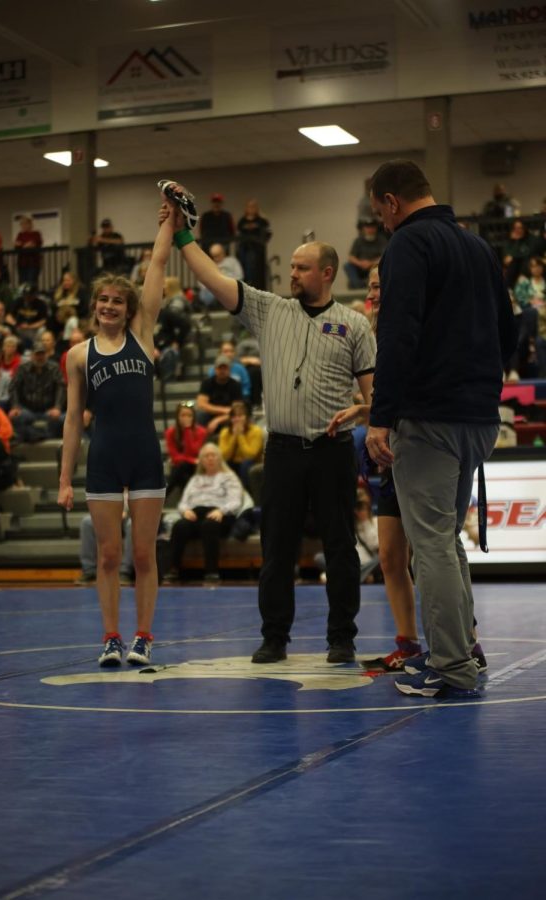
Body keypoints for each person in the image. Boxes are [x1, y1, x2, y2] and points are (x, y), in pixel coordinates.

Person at [161, 183, 375, 664]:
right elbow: (215, 279)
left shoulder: (354, 324)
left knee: (340, 545)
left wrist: (366, 414)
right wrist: (181, 236)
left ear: (326, 272)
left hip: (332, 448)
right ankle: (274, 636)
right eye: (292, 267)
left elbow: (372, 397)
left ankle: (341, 636)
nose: (292, 273)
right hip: (280, 452)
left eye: (301, 268)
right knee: (277, 547)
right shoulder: (269, 309)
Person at [365, 159, 516, 700]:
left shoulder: (408, 245)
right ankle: (462, 647)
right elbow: (509, 329)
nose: (383, 224)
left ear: (390, 203)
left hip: (429, 417)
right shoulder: (476, 246)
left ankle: (450, 665)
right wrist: (481, 386)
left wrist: (381, 416)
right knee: (444, 538)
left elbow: (399, 334)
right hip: (478, 415)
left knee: (427, 544)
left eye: (380, 214)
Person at [343, 266, 488, 673]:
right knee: (392, 555)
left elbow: (409, 391)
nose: (372, 291)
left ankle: (465, 643)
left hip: (415, 443)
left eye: (378, 285)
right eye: (369, 286)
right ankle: (408, 644)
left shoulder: (412, 323)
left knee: (435, 547)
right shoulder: (373, 331)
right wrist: (365, 409)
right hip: (390, 450)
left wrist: (369, 411)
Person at [58, 198, 174, 668]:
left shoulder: (143, 334)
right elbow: (71, 418)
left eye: (117, 301)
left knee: (143, 554)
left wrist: (166, 223)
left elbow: (159, 266)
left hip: (144, 454)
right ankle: (111, 637)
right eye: (103, 300)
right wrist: (65, 479)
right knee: (109, 556)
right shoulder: (77, 355)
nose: (109, 306)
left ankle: (143, 637)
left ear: (129, 309)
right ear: (94, 307)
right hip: (104, 456)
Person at [163, 442, 246, 585]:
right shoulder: (195, 479)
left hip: (221, 514)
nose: (210, 459)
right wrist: (185, 510)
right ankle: (173, 570)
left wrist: (221, 510)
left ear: (219, 458)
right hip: (196, 514)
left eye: (213, 455)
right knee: (180, 526)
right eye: (206, 456)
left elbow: (236, 500)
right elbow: (183, 502)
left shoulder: (229, 477)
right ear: (201, 460)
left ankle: (212, 572)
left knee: (209, 526)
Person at [9, 340, 66, 443]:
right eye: (37, 354)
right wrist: (15, 406)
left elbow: (61, 387)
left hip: (49, 410)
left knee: (59, 420)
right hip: (27, 409)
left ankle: (35, 436)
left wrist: (57, 407)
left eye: (42, 354)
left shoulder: (54, 368)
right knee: (17, 418)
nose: (40, 357)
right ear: (32, 355)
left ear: (46, 354)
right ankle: (38, 435)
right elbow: (13, 387)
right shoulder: (22, 368)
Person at [77, 510, 134, 587]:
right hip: (109, 514)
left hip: (130, 517)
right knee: (87, 522)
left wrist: (127, 514)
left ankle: (125, 572)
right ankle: (89, 571)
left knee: (132, 524)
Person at [164, 401, 207, 499]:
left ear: (194, 417)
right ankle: (188, 505)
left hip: (196, 467)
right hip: (181, 466)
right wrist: (190, 459)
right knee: (183, 473)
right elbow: (174, 457)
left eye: (189, 415)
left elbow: (193, 451)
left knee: (182, 469)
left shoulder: (201, 432)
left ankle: (164, 497)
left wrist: (187, 430)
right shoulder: (170, 432)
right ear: (177, 417)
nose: (186, 418)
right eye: (183, 415)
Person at [218, 400, 264, 489]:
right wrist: (234, 436)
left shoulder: (256, 431)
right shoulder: (225, 432)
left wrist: (240, 435)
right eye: (234, 416)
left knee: (246, 463)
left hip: (251, 463)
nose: (237, 419)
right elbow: (224, 456)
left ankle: (245, 491)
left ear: (246, 417)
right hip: (232, 461)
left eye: (240, 416)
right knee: (223, 463)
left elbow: (250, 455)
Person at [195, 353, 243, 434]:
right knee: (200, 415)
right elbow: (201, 404)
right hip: (211, 414)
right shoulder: (207, 383)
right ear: (215, 369)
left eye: (225, 368)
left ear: (229, 370)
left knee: (237, 417)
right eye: (220, 368)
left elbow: (237, 410)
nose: (222, 371)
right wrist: (224, 410)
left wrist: (217, 420)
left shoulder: (236, 385)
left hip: (228, 416)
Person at [236, 199, 271, 290]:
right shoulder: (242, 221)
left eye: (253, 207)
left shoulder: (261, 220)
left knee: (255, 269)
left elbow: (267, 231)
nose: (251, 209)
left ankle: (253, 284)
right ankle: (246, 282)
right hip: (244, 248)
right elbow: (239, 231)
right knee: (244, 266)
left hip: (257, 250)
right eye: (249, 207)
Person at [344, 218, 388, 289]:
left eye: (372, 227)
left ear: (376, 228)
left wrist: (370, 263)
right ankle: (358, 284)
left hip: (374, 266)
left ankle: (366, 283)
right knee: (347, 266)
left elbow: (385, 256)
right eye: (367, 227)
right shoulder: (358, 240)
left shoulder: (381, 240)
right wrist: (360, 263)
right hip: (360, 267)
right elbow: (351, 257)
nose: (370, 229)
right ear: (363, 228)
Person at [197, 244, 243, 309]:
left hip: (229, 286)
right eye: (214, 256)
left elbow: (239, 276)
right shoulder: (209, 264)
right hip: (213, 288)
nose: (216, 258)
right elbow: (201, 281)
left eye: (218, 255)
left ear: (223, 253)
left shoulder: (232, 261)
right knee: (204, 294)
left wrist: (226, 282)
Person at [14, 216, 43, 286]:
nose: (23, 226)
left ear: (30, 224)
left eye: (25, 224)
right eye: (21, 224)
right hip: (22, 263)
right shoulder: (20, 235)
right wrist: (25, 245)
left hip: (33, 263)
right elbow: (16, 245)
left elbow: (34, 243)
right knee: (22, 283)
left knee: (31, 283)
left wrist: (22, 245)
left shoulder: (36, 234)